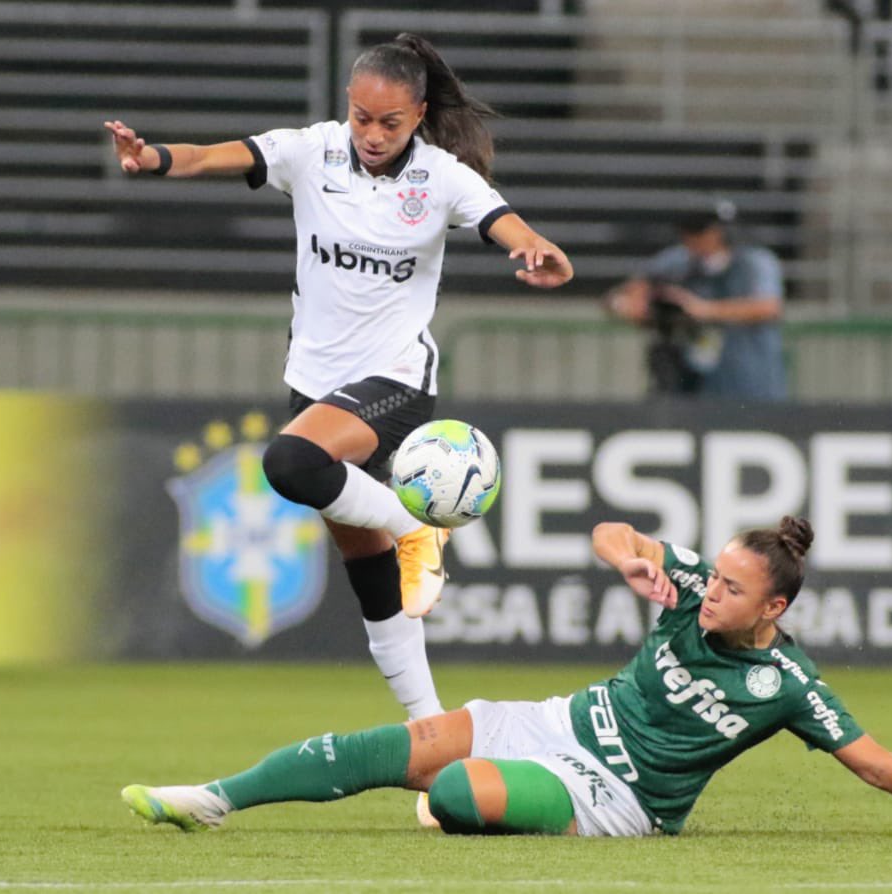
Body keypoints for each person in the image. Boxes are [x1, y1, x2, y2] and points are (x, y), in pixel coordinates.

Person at [103, 34, 573, 730]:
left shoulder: (443, 177)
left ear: (417, 115)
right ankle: (431, 726)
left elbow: (507, 225)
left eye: (390, 122)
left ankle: (418, 527)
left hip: (396, 380)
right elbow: (208, 156)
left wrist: (539, 251)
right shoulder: (310, 151)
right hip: (316, 385)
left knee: (290, 462)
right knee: (372, 577)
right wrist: (152, 158)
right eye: (362, 117)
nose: (373, 134)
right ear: (347, 107)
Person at [120, 516, 892, 841]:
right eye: (713, 575)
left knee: (448, 791)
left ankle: (467, 809)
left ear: (773, 610)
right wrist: (631, 562)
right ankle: (213, 798)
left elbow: (875, 762)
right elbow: (614, 531)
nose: (711, 592)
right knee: (387, 748)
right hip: (562, 721)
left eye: (732, 588)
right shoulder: (689, 589)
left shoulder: (790, 689)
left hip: (617, 794)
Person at [608, 209, 787, 401]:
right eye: (688, 233)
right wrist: (636, 305)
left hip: (749, 379)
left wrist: (702, 309)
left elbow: (769, 307)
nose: (695, 240)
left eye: (702, 232)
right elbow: (622, 295)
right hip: (691, 378)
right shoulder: (678, 260)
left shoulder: (755, 262)